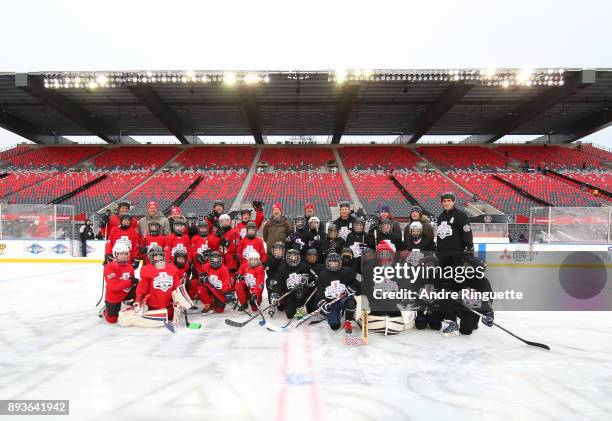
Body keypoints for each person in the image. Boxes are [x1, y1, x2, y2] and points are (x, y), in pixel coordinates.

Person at [439, 256, 494, 337]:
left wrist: (488, 313)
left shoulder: (483, 281)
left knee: (466, 331)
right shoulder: (459, 276)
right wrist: (453, 292)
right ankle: (453, 323)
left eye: (468, 266)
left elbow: (488, 298)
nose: (464, 268)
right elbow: (447, 288)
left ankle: (472, 322)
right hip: (459, 304)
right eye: (464, 266)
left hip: (472, 308)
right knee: (444, 299)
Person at [133, 245, 182, 320]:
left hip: (167, 304)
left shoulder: (171, 268)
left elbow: (177, 286)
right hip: (153, 305)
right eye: (155, 256)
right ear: (150, 257)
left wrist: (180, 299)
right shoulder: (147, 269)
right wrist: (138, 299)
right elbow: (142, 288)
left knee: (169, 316)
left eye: (160, 255)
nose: (158, 258)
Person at [316, 252, 358, 333]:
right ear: (327, 262)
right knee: (334, 326)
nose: (333, 264)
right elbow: (320, 291)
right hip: (331, 302)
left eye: (336, 262)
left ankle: (348, 321)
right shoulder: (323, 274)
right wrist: (321, 302)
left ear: (340, 262)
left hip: (343, 298)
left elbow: (359, 280)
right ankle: (336, 313)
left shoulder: (347, 271)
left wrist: (353, 287)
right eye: (331, 262)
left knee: (351, 303)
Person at [269, 248, 316, 319]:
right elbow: (278, 283)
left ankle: (299, 310)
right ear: (288, 257)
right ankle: (293, 308)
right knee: (290, 315)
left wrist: (309, 279)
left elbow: (313, 277)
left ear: (298, 257)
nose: (293, 258)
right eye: (291, 256)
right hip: (289, 293)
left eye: (295, 256)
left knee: (299, 292)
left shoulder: (303, 266)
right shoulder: (282, 268)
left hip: (301, 292)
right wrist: (275, 293)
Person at [101, 242, 138, 323]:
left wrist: (136, 282)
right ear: (115, 254)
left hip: (126, 292)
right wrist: (130, 281)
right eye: (121, 253)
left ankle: (134, 304)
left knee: (141, 288)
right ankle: (105, 310)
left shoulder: (130, 267)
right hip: (114, 296)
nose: (124, 255)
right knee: (112, 320)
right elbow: (113, 286)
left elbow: (131, 282)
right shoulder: (109, 267)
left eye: (126, 253)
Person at [436, 192, 474, 268]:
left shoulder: (461, 215)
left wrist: (469, 249)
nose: (446, 203)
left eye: (449, 200)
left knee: (456, 278)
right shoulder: (440, 217)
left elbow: (467, 233)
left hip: (457, 254)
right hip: (442, 254)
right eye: (444, 201)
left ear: (453, 202)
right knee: (443, 278)